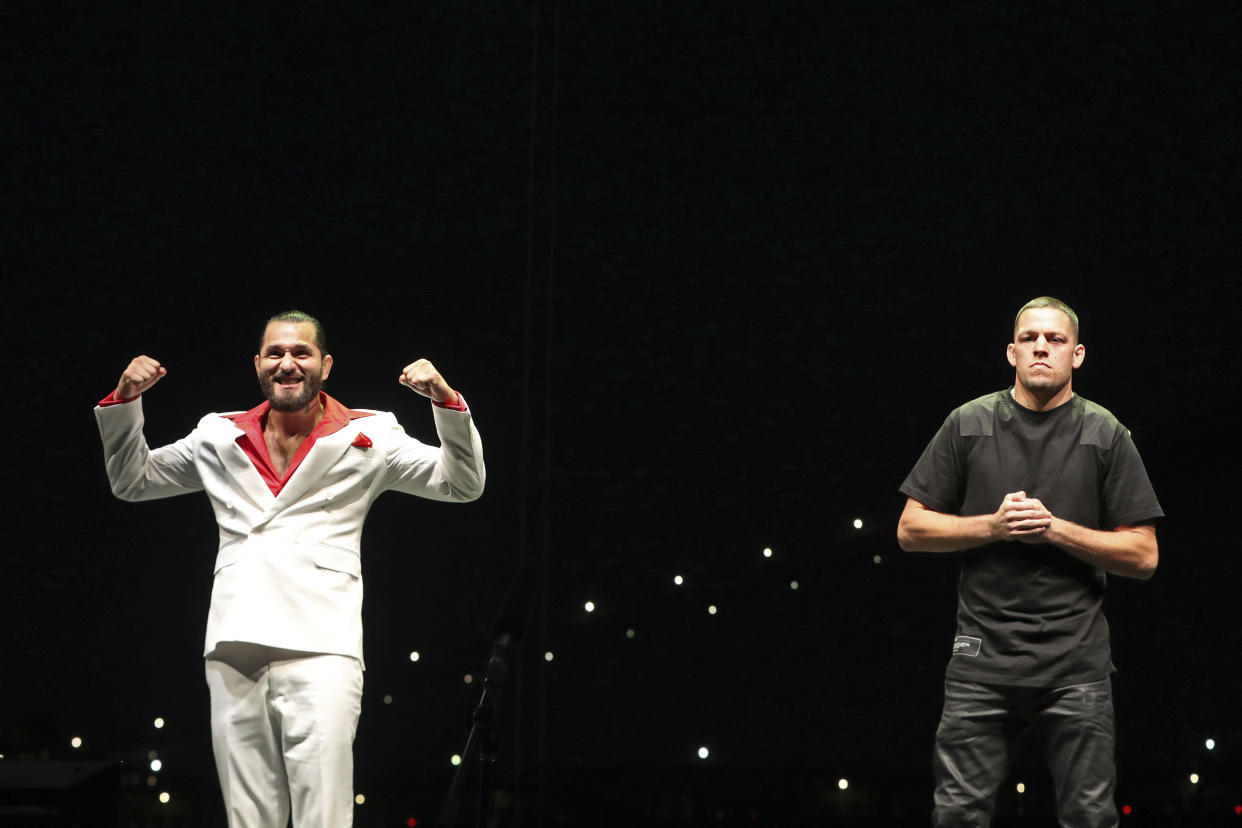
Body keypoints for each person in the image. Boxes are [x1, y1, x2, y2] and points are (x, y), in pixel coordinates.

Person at [95, 310, 485, 827]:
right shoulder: (216, 435)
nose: (287, 363)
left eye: (301, 353)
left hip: (323, 644)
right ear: (258, 364)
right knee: (248, 815)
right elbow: (132, 479)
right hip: (235, 641)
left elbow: (463, 483)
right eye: (275, 353)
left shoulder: (372, 434)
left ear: (325, 365)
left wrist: (445, 402)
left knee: (321, 811)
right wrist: (126, 400)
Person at [896, 297, 1163, 828]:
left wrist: (1055, 529)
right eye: (1030, 338)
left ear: (1078, 355)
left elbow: (1144, 556)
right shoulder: (968, 423)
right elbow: (910, 529)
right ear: (1012, 352)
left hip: (1076, 667)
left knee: (1089, 817)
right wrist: (993, 527)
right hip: (981, 663)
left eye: (1056, 339)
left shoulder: (1105, 432)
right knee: (957, 816)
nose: (1042, 346)